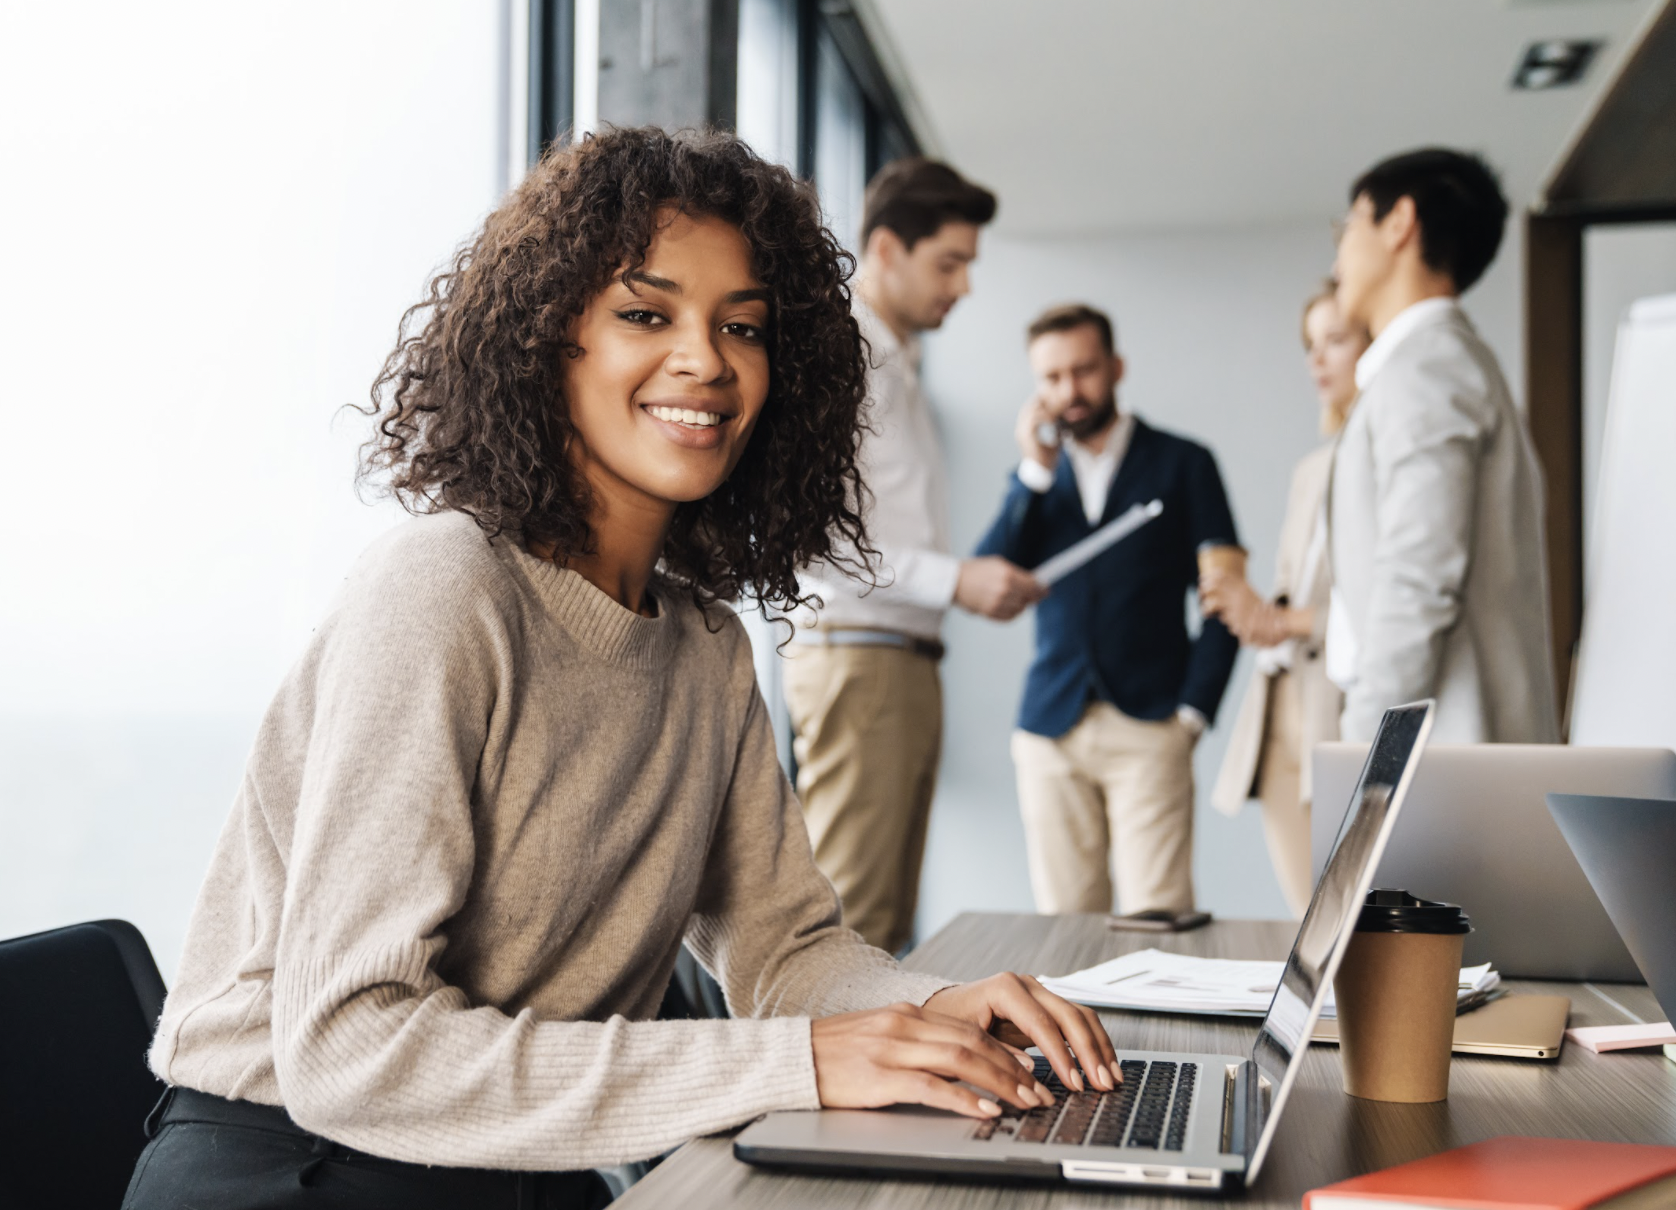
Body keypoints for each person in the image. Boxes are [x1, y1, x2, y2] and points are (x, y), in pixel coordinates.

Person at [122, 129, 1120, 1210]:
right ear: (549, 341)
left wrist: (930, 1010)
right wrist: (798, 1063)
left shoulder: (703, 647)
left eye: (742, 326)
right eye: (646, 314)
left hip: (517, 1157)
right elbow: (348, 1047)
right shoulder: (443, 588)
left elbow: (785, 949)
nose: (707, 359)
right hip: (296, 1165)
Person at [786, 158, 1042, 955]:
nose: (963, 286)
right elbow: (814, 539)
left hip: (896, 659)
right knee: (852, 926)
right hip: (863, 658)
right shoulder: (848, 357)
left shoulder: (896, 361)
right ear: (888, 251)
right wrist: (955, 579)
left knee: (883, 926)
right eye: (950, 263)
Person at [975, 304, 1240, 917]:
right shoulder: (1038, 479)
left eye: (1084, 370)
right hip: (1050, 727)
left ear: (1116, 368)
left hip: (1151, 724)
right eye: (1052, 378)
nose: (1070, 391)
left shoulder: (1184, 463)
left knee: (1158, 919)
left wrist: (1194, 713)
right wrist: (1032, 474)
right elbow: (988, 579)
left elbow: (1227, 597)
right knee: (1065, 925)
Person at [1327, 148, 1559, 744]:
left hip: (1440, 751)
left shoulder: (1428, 368)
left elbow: (1419, 575)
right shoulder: (1444, 364)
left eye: (1349, 226)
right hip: (1451, 746)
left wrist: (1362, 741)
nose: (1338, 257)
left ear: (1400, 222)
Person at [1204, 285, 1371, 917]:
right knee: (1310, 919)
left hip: (1341, 707)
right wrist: (1249, 608)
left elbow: (1390, 607)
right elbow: (1292, 594)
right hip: (1277, 712)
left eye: (1335, 339)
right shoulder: (1313, 469)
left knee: (1353, 921)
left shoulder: (1387, 461)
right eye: (1310, 345)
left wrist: (1281, 619)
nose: (1317, 361)